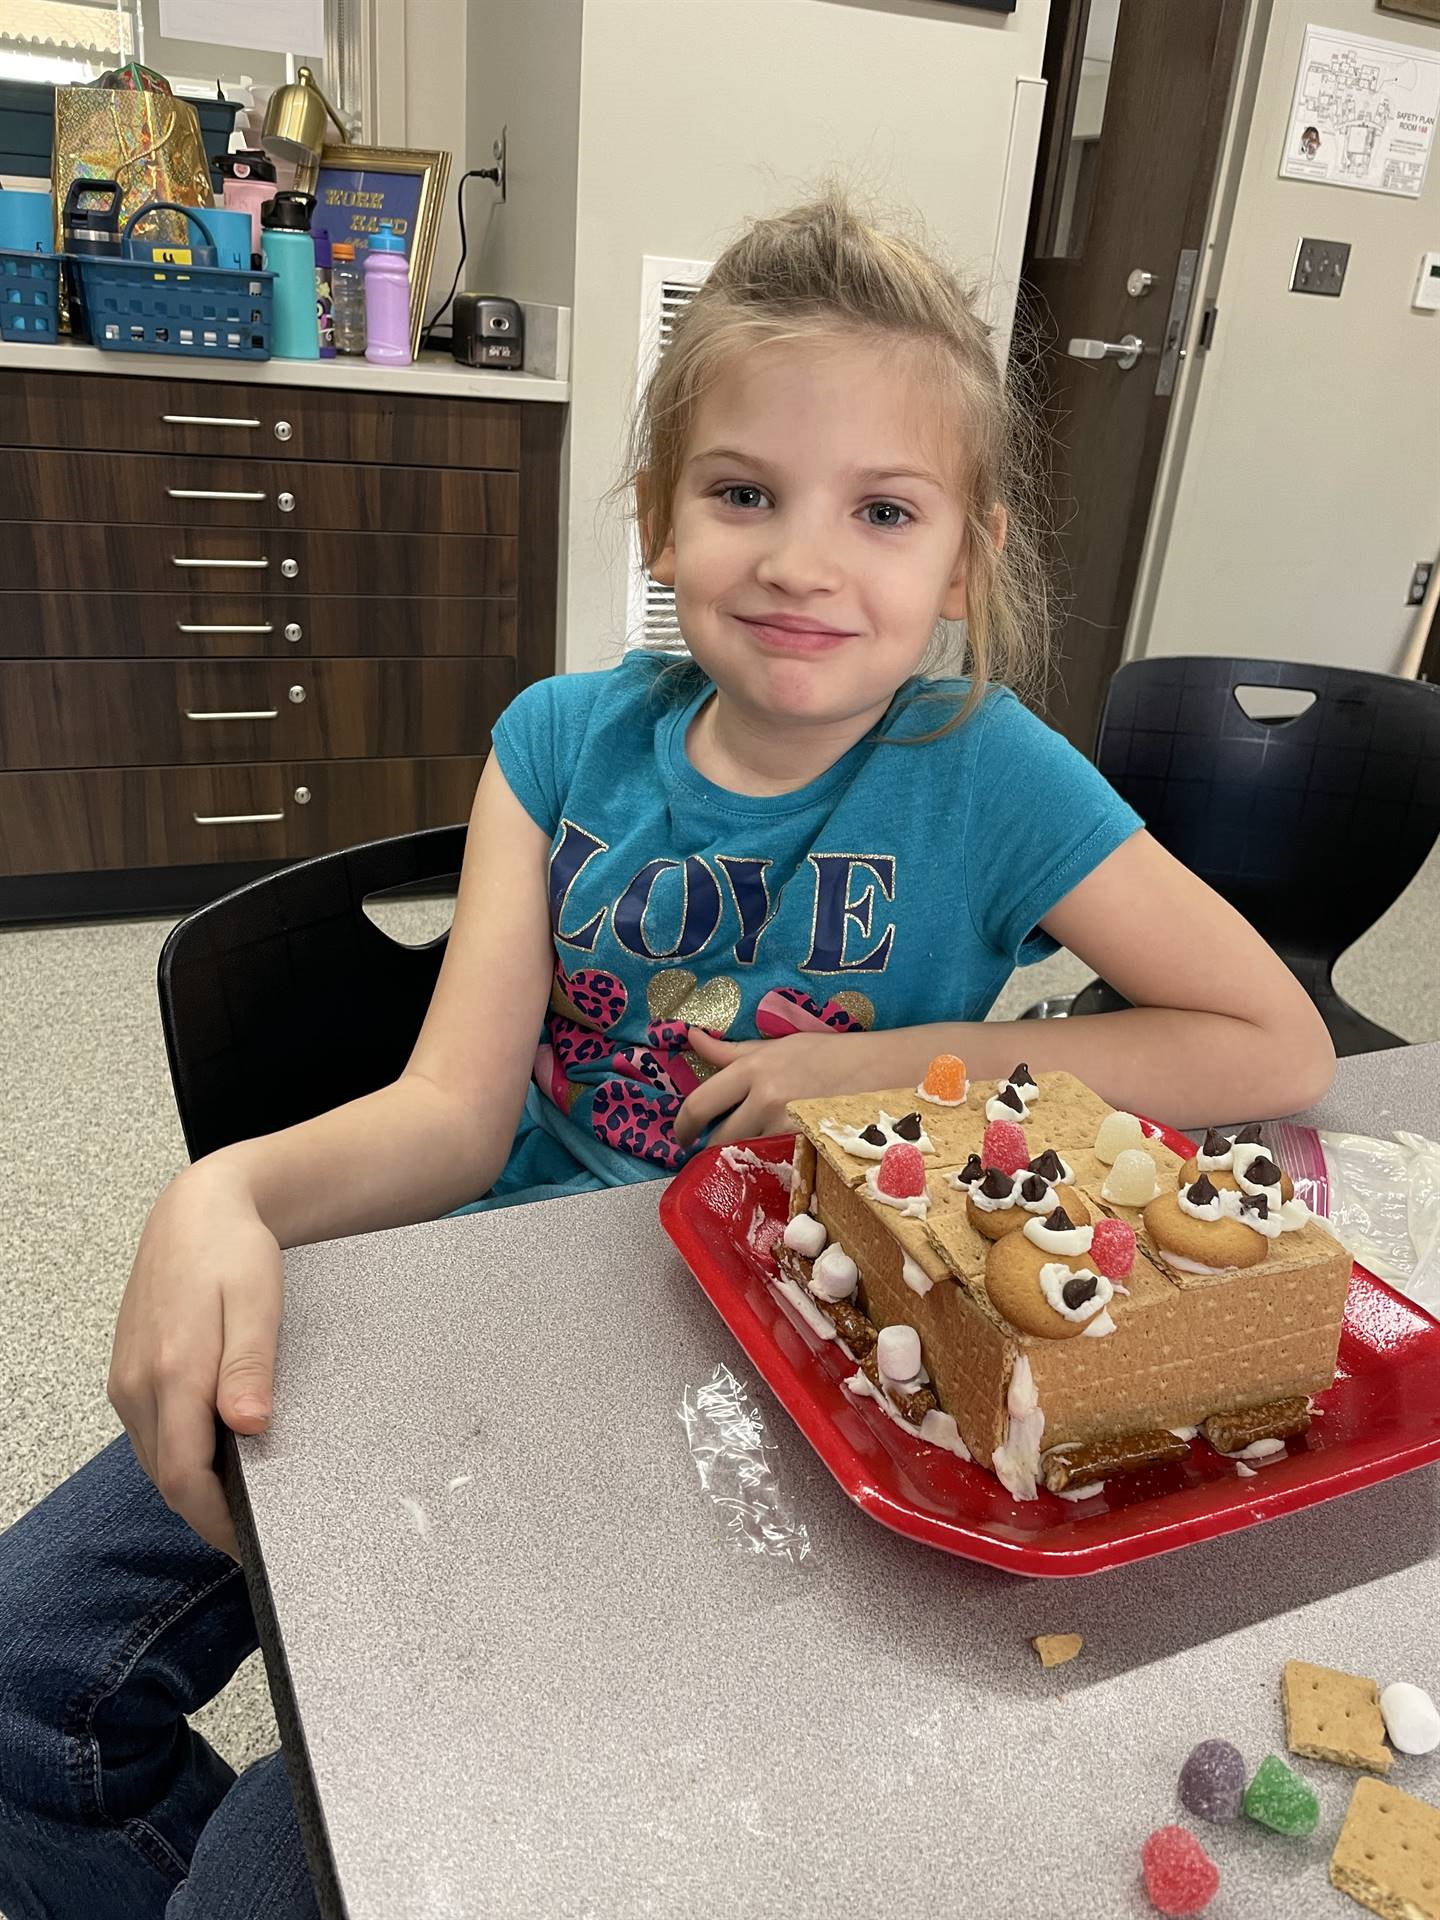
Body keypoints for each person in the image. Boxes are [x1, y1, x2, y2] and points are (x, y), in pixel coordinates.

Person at [0, 188, 1335, 1918]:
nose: (801, 557)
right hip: (495, 1315)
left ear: (967, 555)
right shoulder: (559, 744)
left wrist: (898, 1065)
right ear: (659, 516)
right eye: (743, 493)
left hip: (788, 1393)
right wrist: (227, 1193)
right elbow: (455, 1116)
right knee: (31, 1683)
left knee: (282, 1878)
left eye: (883, 509)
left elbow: (1272, 1034)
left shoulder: (990, 771)